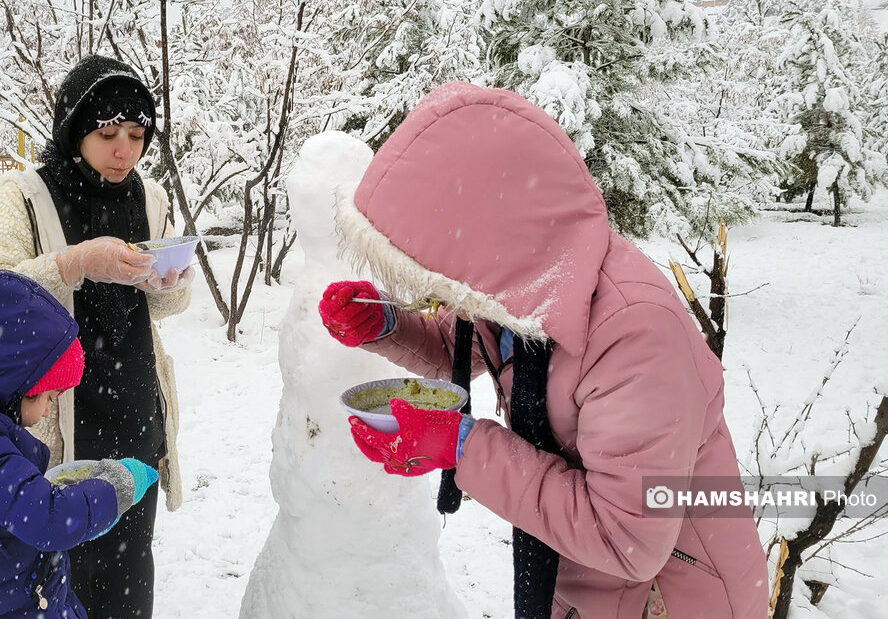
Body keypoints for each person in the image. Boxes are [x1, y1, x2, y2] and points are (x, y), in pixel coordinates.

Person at [317, 82, 768, 619]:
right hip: (581, 584)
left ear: (484, 239)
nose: (436, 296)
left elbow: (625, 535)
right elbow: (468, 349)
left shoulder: (636, 334)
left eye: (433, 275)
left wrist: (462, 447)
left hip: (674, 598)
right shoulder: (531, 287)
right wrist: (387, 324)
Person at [0, 54, 193, 619]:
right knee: (59, 582)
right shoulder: (25, 196)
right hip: (59, 420)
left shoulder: (150, 197)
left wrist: (168, 281)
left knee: (130, 571)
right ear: (74, 130)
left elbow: (165, 306)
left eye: (138, 135)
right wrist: (73, 264)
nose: (125, 151)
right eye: (108, 133)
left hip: (136, 408)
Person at [0, 269, 159, 619]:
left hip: (15, 600)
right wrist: (116, 486)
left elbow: (6, 503)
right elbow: (49, 520)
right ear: (15, 382)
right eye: (49, 397)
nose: (47, 411)